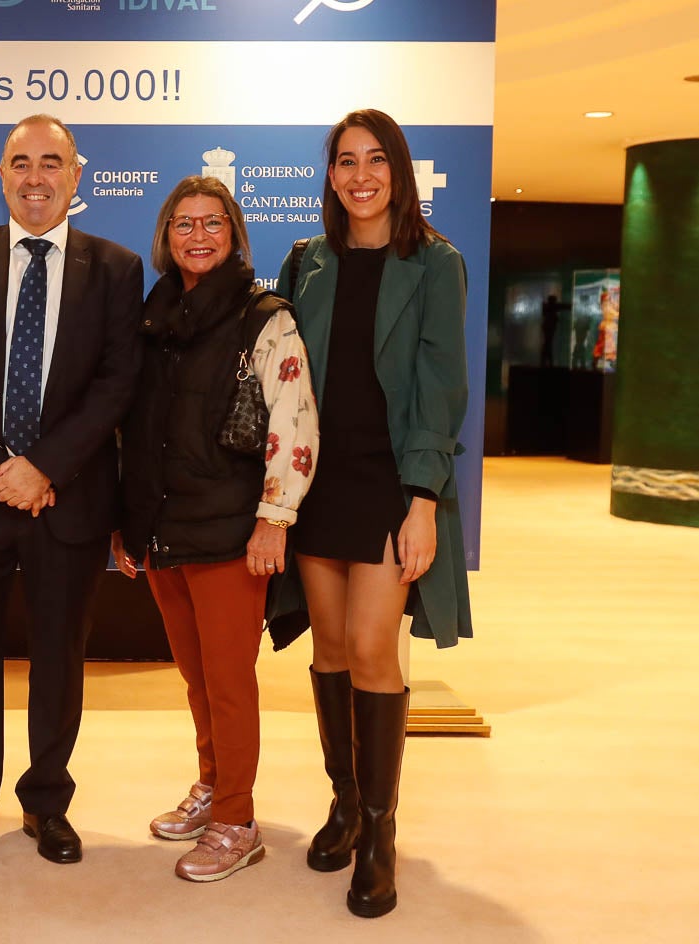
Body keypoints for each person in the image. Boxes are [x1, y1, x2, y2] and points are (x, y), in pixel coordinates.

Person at [0, 114, 143, 874]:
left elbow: (117, 381)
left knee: (58, 659)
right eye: (20, 162)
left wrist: (43, 466)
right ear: (1, 173)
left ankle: (47, 803)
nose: (35, 176)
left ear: (76, 177)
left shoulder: (115, 267)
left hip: (66, 498)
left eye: (52, 162)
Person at [272, 108, 473, 918]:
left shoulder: (434, 264)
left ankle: (381, 834)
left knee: (369, 648)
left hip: (389, 484)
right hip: (317, 484)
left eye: (375, 160)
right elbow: (281, 381)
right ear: (329, 175)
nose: (360, 175)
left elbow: (439, 390)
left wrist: (421, 500)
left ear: (398, 171)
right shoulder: (304, 262)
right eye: (344, 161)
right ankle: (345, 804)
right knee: (325, 646)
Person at [113, 176, 318, 882]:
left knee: (230, 683)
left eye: (211, 223)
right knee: (198, 678)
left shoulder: (265, 318)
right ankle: (210, 785)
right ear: (165, 238)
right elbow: (133, 429)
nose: (197, 236)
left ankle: (236, 819)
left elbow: (294, 423)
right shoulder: (152, 314)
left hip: (233, 531)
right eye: (182, 225)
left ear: (233, 235)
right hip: (165, 529)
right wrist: (128, 521)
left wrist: (273, 520)